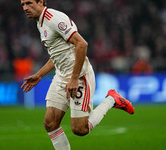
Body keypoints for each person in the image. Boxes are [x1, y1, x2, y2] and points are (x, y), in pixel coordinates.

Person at [20, 0, 134, 149]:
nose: (25, 8)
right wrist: (39, 75)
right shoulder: (40, 23)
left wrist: (74, 78)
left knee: (80, 129)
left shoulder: (53, 19)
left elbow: (82, 44)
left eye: (29, 3)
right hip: (62, 76)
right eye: (22, 4)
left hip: (79, 76)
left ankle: (111, 100)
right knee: (50, 123)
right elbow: (58, 55)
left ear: (41, 2)